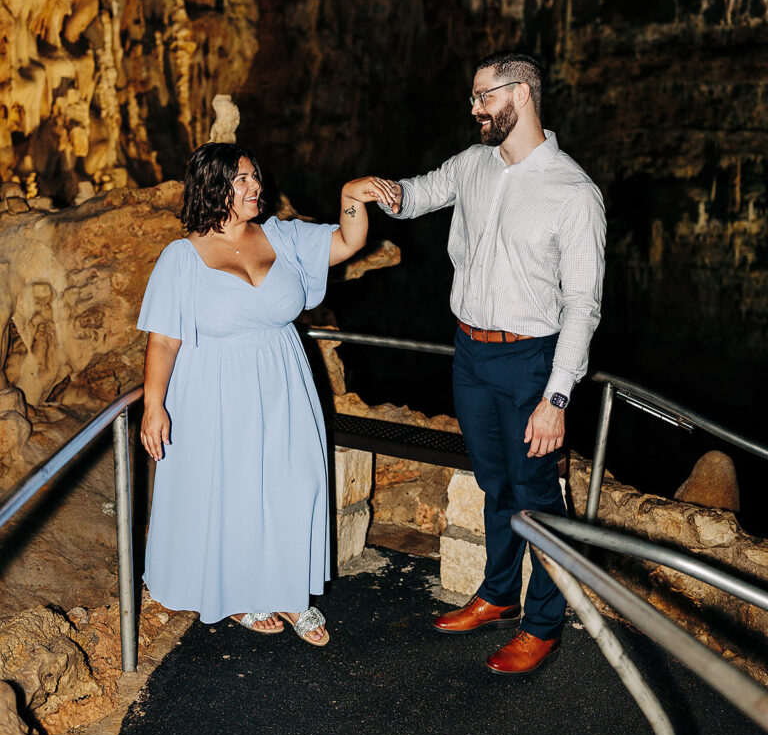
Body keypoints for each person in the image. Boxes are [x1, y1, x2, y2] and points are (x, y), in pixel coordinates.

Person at [375, 51, 605, 675]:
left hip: (531, 360)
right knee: (495, 484)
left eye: (484, 96)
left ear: (522, 95)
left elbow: (584, 305)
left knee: (537, 497)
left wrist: (557, 397)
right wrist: (380, 193)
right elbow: (419, 195)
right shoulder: (473, 166)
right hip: (470, 354)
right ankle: (499, 594)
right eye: (473, 97)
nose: (474, 108)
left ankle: (543, 624)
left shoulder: (573, 192)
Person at [137, 142, 397, 645]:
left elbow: (348, 241)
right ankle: (238, 595)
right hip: (213, 389)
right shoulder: (181, 257)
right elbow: (163, 339)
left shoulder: (283, 235)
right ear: (214, 186)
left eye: (255, 176)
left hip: (284, 383)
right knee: (232, 491)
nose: (256, 186)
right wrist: (154, 404)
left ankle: (290, 592)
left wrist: (351, 195)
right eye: (242, 180)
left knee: (293, 484)